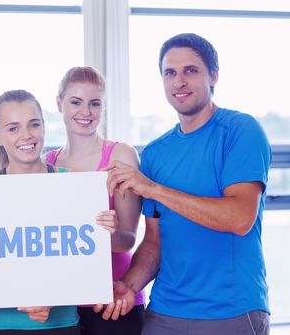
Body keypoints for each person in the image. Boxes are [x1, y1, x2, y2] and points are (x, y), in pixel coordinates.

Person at [105, 33, 271, 334]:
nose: (179, 81)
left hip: (231, 312)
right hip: (165, 312)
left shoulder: (240, 131)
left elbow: (239, 218)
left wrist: (153, 189)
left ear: (214, 76)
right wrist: (128, 286)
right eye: (170, 73)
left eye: (190, 70)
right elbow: (154, 242)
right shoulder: (155, 153)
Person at [0, 89, 119, 335]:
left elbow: (80, 261)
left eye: (34, 125)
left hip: (59, 325)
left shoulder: (74, 187)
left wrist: (104, 230)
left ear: (43, 127)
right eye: (13, 128)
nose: (26, 135)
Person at [44, 66, 144, 335]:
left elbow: (128, 239)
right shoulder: (47, 164)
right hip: (63, 304)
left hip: (113, 299)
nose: (85, 112)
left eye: (94, 104)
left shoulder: (120, 156)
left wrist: (101, 233)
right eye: (76, 102)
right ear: (59, 103)